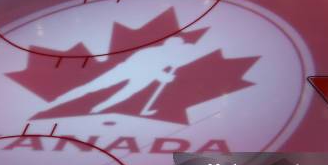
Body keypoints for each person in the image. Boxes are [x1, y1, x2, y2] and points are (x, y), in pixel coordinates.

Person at [47, 36, 214, 114]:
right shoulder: (150, 51)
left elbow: (178, 63)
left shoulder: (172, 56)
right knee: (91, 87)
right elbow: (142, 64)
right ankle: (57, 102)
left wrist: (173, 66)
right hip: (125, 70)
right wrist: (161, 75)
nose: (175, 48)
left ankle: (97, 109)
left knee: (125, 94)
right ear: (168, 43)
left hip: (143, 78)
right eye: (175, 45)